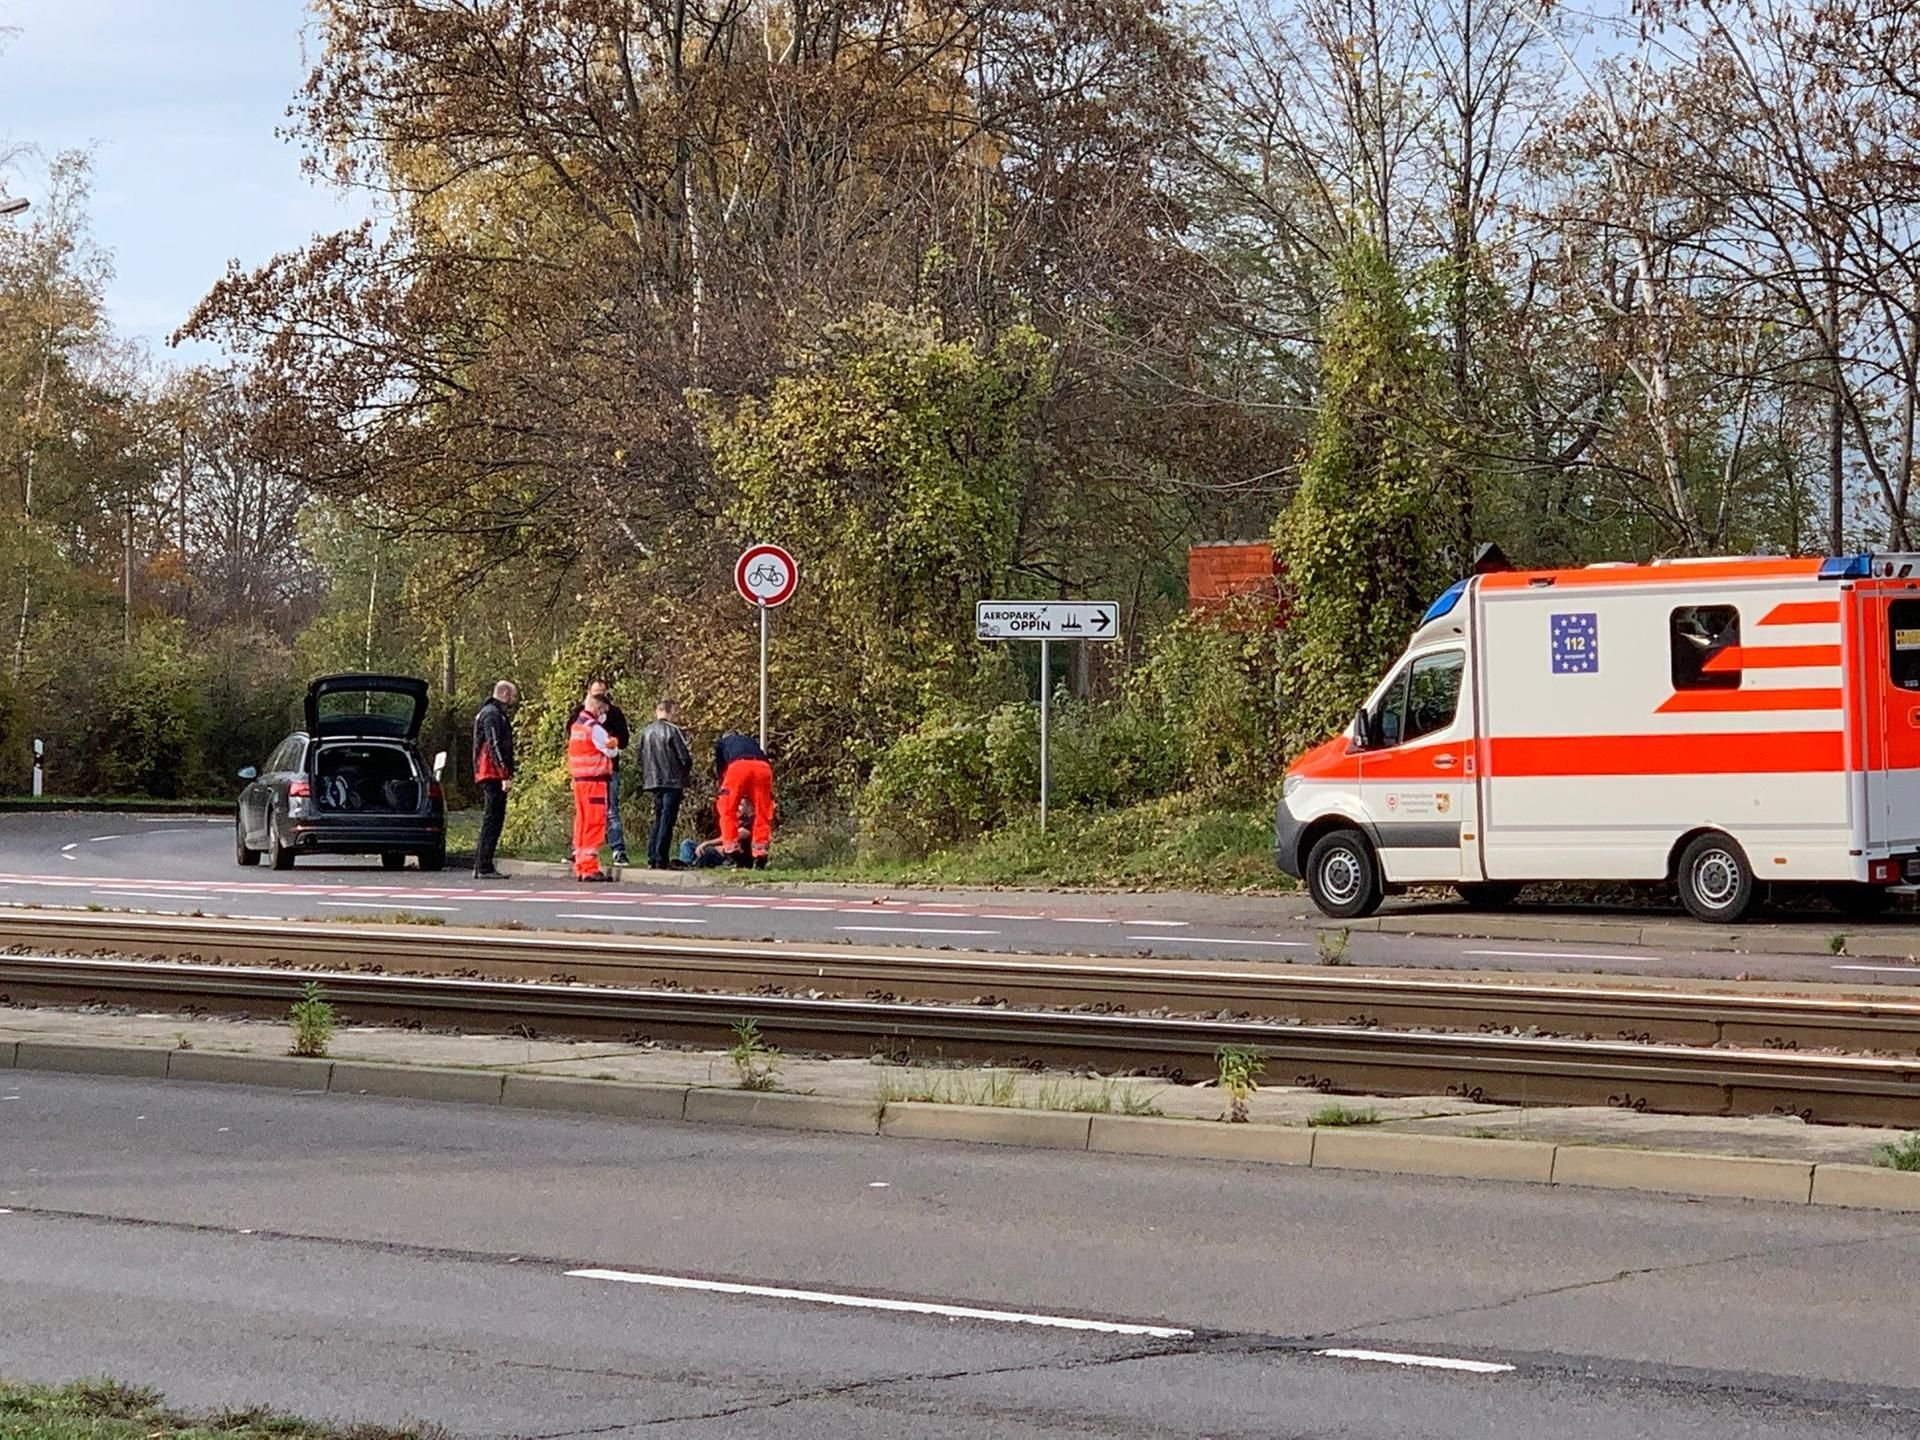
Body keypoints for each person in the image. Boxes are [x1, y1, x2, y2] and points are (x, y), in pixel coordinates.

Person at [566, 681, 632, 865]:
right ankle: (589, 865)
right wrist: (612, 744)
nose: (603, 714)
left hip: (580, 778)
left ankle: (580, 859)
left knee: (582, 820)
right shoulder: (593, 726)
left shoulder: (578, 723)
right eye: (601, 709)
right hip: (596, 779)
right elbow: (611, 749)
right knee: (596, 821)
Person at [639, 696, 694, 869]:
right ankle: (661, 857)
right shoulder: (673, 730)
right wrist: (685, 773)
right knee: (667, 820)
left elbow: (639, 758)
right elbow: (684, 757)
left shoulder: (645, 732)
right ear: (670, 712)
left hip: (653, 780)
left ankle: (652, 856)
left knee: (658, 818)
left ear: (657, 711)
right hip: (672, 780)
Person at [470, 680, 518, 879]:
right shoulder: (492, 714)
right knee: (493, 819)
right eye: (513, 695)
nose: (514, 700)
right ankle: (484, 866)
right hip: (491, 772)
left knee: (493, 818)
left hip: (490, 771)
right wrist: (504, 774)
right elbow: (494, 744)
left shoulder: (490, 712)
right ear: (505, 694)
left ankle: (481, 864)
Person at [712, 729, 775, 868]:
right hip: (763, 768)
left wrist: (725, 788)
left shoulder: (722, 743)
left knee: (727, 807)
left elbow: (721, 771)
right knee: (763, 811)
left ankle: (731, 850)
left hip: (738, 767)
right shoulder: (750, 741)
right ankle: (760, 852)